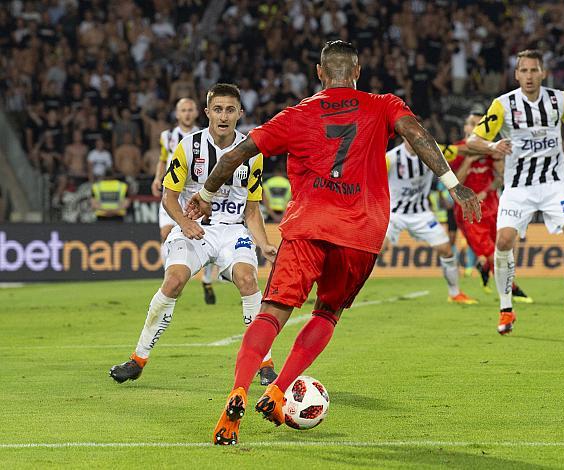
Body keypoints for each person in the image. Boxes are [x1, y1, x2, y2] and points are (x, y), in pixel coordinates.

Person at [184, 41, 480, 446]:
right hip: (361, 233)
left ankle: (237, 392)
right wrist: (455, 185)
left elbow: (236, 154)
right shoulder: (383, 104)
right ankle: (277, 390)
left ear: (319, 73)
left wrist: (204, 195)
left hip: (308, 226)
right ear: (357, 69)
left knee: (271, 312)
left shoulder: (296, 114)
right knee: (327, 312)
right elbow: (418, 134)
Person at [109, 83, 280, 387]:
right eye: (217, 109)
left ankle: (264, 363)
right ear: (207, 112)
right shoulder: (188, 146)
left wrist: (264, 242)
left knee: (248, 280)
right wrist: (185, 224)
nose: (223, 116)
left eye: (230, 109)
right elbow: (169, 198)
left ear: (240, 113)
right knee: (174, 280)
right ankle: (137, 359)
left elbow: (251, 210)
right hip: (194, 229)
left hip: (232, 231)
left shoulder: (253, 153)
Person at [467, 49, 564, 336]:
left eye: (533, 70)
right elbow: (473, 139)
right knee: (503, 241)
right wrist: (492, 147)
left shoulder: (558, 99)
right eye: (523, 71)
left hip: (555, 182)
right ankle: (505, 310)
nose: (528, 76)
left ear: (543, 72)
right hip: (519, 187)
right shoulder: (503, 105)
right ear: (516, 75)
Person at [451, 112, 533, 303]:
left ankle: (486, 269)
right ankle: (511, 289)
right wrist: (470, 160)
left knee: (504, 248)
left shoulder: (489, 149)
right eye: (471, 124)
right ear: (465, 128)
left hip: (493, 207)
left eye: (478, 124)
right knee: (489, 251)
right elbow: (455, 182)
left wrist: (490, 184)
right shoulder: (457, 150)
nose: (474, 128)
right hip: (468, 210)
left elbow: (500, 178)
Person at [385, 137, 477, 304]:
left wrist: (487, 148)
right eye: (410, 136)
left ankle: (455, 293)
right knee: (375, 250)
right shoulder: (390, 158)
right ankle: (348, 291)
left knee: (446, 250)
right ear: (403, 137)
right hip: (394, 214)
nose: (414, 140)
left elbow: (459, 150)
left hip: (421, 214)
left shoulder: (433, 151)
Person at [150, 99, 216, 304]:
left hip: (196, 193)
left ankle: (206, 280)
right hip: (173, 191)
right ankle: (170, 280)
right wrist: (157, 177)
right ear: (177, 114)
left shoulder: (206, 135)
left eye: (190, 110)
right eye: (183, 111)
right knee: (165, 234)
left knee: (208, 237)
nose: (187, 114)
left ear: (197, 112)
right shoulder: (167, 136)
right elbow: (164, 158)